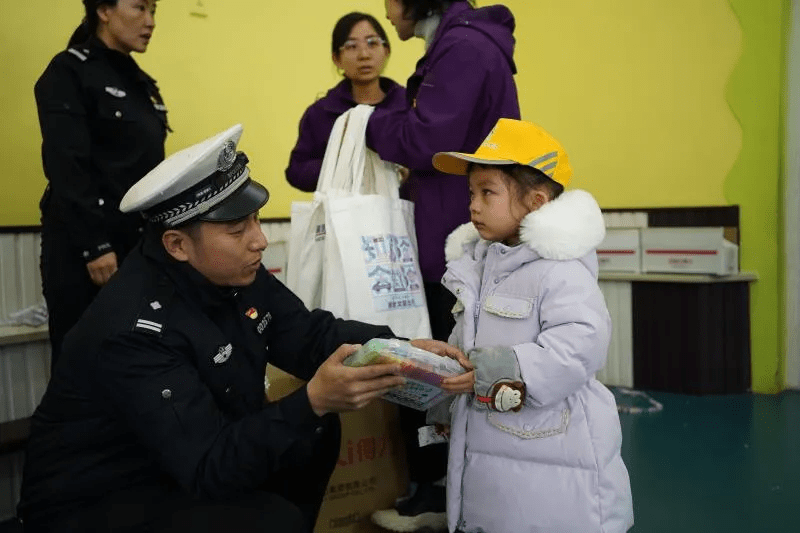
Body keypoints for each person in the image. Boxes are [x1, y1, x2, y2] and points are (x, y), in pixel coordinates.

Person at [16, 124, 467, 533]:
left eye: (255, 219)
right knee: (272, 515)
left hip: (185, 462)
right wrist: (312, 399)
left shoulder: (235, 275)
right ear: (176, 244)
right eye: (237, 228)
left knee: (313, 432)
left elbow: (306, 333)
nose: (259, 239)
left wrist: (402, 349)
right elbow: (207, 465)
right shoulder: (134, 330)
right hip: (101, 497)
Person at [427, 118, 634, 532]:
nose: (473, 205)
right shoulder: (480, 267)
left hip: (554, 446)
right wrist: (443, 388)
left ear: (536, 202)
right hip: (490, 439)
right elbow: (467, 338)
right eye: (471, 192)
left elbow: (581, 343)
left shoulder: (560, 271)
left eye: (488, 192)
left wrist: (492, 370)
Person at [367, 1, 520, 530]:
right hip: (452, 232)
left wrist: (373, 122)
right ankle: (442, 492)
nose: (387, 11)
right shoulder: (465, 43)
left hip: (455, 239)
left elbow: (429, 140)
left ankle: (441, 498)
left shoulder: (463, 47)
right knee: (449, 364)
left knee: (444, 367)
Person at [35, 0, 169, 369]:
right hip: (87, 248)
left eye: (154, 11)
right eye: (139, 8)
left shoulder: (143, 85)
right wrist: (95, 246)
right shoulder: (70, 71)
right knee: (82, 362)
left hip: (137, 245)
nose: (150, 22)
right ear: (104, 11)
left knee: (135, 359)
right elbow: (67, 166)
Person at [285, 12, 406, 191]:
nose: (364, 54)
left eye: (372, 43)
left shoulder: (408, 105)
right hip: (343, 215)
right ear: (337, 58)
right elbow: (296, 172)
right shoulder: (322, 113)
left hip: (402, 213)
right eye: (351, 46)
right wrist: (340, 165)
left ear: (386, 50)